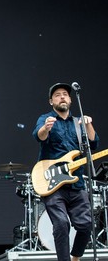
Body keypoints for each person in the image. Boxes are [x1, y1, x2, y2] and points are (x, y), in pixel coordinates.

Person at [32, 82, 99, 261]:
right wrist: (45, 128)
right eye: (57, 95)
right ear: (51, 101)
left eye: (65, 94)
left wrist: (89, 124)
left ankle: (75, 257)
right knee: (61, 224)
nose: (62, 96)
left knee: (86, 226)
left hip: (76, 182)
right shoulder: (46, 118)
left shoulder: (78, 123)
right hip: (53, 184)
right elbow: (38, 136)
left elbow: (93, 145)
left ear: (70, 99)